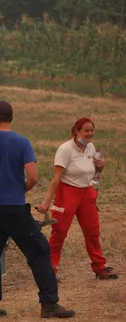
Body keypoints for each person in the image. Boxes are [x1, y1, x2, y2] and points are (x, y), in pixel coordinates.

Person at [0, 101, 75, 319]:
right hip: (15, 208)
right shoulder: (22, 142)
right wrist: (21, 190)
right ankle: (48, 303)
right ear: (11, 118)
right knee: (38, 250)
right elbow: (34, 176)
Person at [37, 117, 118, 280]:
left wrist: (100, 169)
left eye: (91, 130)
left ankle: (100, 268)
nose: (89, 134)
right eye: (86, 130)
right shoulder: (65, 149)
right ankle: (50, 271)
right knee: (59, 233)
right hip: (67, 193)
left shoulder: (91, 147)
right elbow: (56, 177)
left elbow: (95, 178)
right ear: (76, 132)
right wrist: (46, 201)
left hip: (87, 193)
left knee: (92, 231)